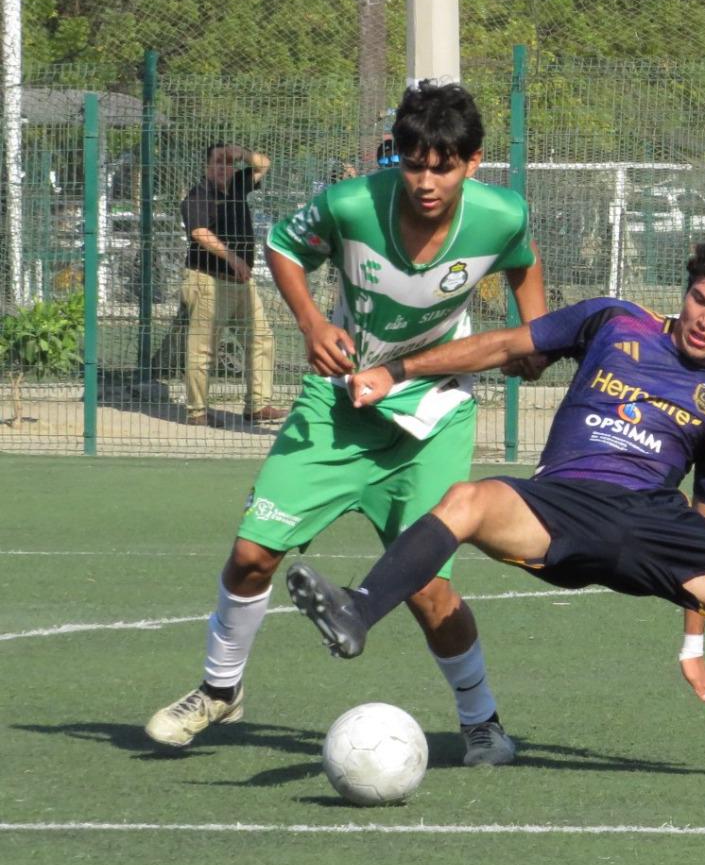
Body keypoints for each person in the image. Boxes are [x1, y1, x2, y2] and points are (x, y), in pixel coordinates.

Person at [283, 224, 705, 785]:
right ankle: (360, 609)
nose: (704, 316)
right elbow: (506, 346)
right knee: (468, 498)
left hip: (658, 527)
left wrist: (694, 640)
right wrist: (396, 371)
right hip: (562, 504)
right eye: (700, 296)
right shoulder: (612, 319)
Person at [146, 82, 548, 765]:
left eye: (442, 166)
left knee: (427, 587)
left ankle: (481, 722)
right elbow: (282, 246)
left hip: (432, 413)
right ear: (397, 153)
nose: (425, 180)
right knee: (251, 554)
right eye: (413, 162)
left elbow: (523, 268)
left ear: (473, 162)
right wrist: (311, 321)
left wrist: (534, 339)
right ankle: (219, 689)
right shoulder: (351, 202)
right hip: (337, 404)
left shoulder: (502, 215)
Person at [179, 142, 285, 427]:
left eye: (228, 163)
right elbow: (199, 232)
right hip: (208, 279)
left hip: (241, 282)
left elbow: (264, 163)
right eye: (218, 162)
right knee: (203, 348)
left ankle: (258, 405)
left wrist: (243, 153)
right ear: (206, 166)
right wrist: (233, 258)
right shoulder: (198, 195)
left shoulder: (239, 185)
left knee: (261, 338)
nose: (223, 168)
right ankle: (197, 411)